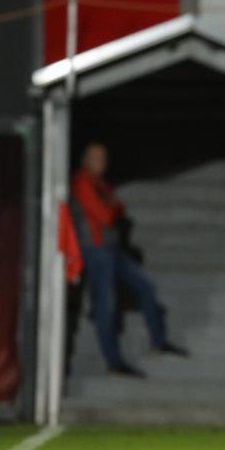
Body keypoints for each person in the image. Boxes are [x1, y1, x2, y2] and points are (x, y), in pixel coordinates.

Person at [71, 142, 187, 377]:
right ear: (86, 160)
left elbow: (119, 208)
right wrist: (113, 208)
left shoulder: (99, 183)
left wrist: (113, 207)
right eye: (96, 158)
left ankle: (158, 342)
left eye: (104, 158)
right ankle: (114, 362)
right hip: (96, 250)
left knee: (146, 286)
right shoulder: (83, 183)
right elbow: (107, 215)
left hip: (111, 248)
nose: (101, 163)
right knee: (106, 306)